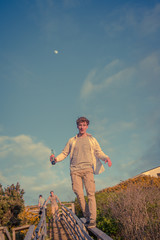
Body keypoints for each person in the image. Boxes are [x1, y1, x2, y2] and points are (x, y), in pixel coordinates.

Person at [50, 116, 112, 228]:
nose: (82, 127)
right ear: (77, 126)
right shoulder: (72, 140)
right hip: (75, 170)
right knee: (79, 194)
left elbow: (99, 152)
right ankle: (87, 216)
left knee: (90, 194)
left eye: (84, 125)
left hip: (88, 169)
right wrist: (55, 160)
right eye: (80, 125)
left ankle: (92, 220)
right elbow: (64, 153)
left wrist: (106, 158)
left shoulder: (92, 139)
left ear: (87, 126)